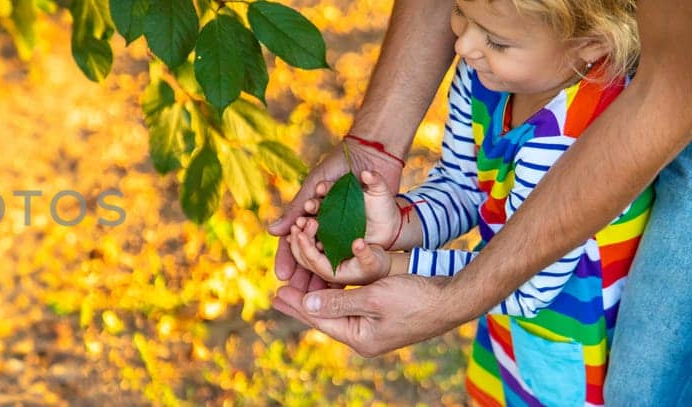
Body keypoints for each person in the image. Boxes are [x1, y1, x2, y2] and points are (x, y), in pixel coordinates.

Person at [266, 0, 692, 404]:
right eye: (459, 12)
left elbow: (530, 286)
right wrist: (398, 224)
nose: (463, 45)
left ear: (589, 45)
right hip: (512, 319)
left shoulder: (576, 134)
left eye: (497, 41)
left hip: (579, 347)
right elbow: (464, 185)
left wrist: (399, 267)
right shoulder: (488, 77)